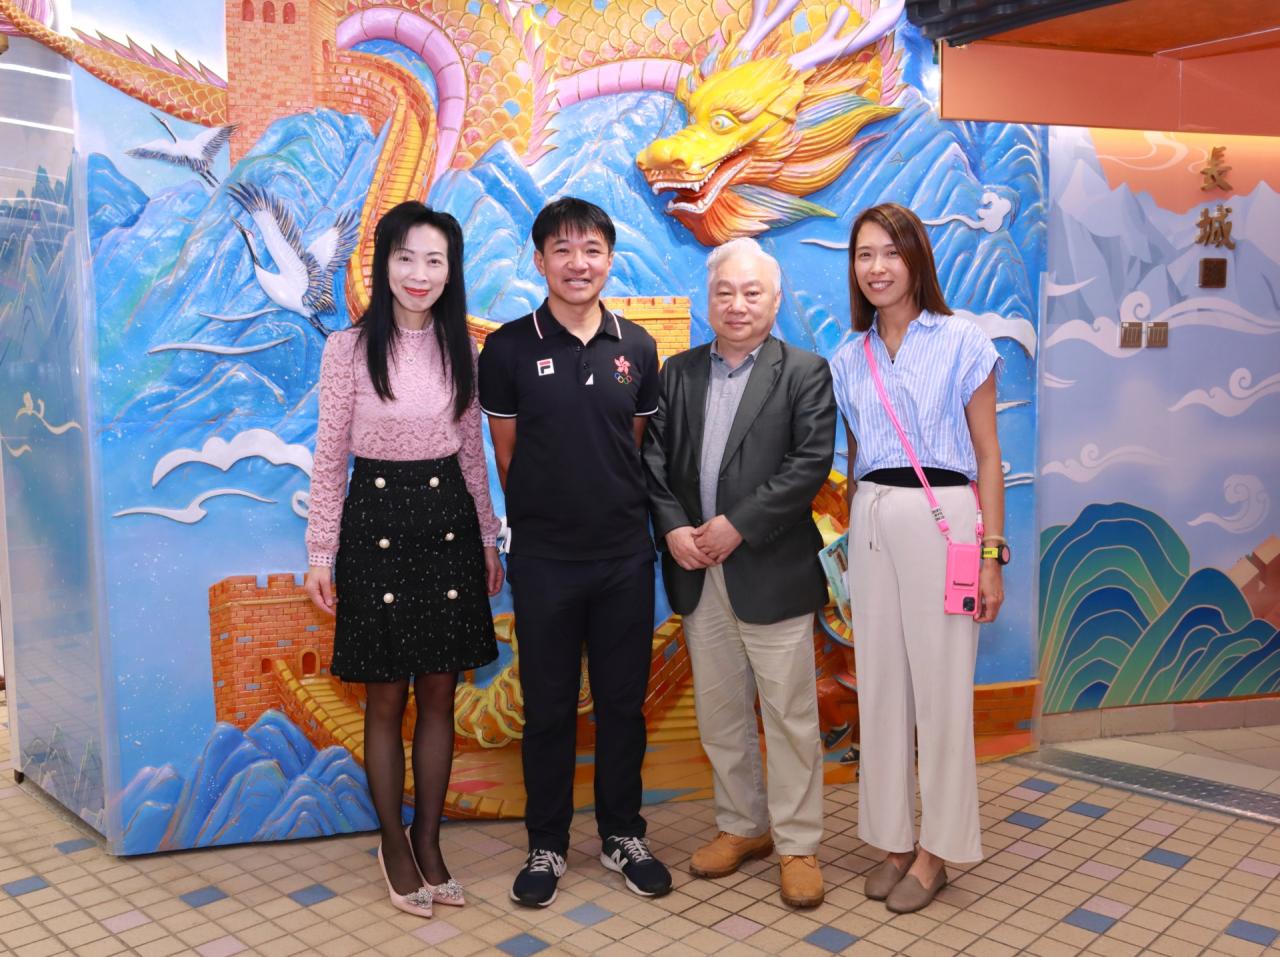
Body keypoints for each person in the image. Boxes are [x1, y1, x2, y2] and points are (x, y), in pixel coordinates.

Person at [303, 202, 504, 918]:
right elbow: (330, 456)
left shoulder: (462, 350)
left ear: (451, 272)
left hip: (447, 522)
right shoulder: (346, 349)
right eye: (405, 257)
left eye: (434, 260)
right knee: (386, 696)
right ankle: (392, 842)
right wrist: (320, 551)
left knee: (441, 691)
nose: (419, 273)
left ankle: (429, 838)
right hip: (377, 522)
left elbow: (472, 454)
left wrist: (488, 537)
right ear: (382, 263)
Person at [477, 197, 672, 907]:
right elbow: (507, 456)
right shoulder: (507, 348)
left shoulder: (638, 347)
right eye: (561, 249)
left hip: (625, 557)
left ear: (609, 259)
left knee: (623, 705)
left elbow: (633, 446)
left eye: (591, 249)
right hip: (544, 560)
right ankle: (547, 843)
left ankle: (622, 833)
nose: (577, 263)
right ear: (539, 261)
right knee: (550, 708)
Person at [642, 238, 836, 908]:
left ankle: (799, 843)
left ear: (774, 301)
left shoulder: (805, 372)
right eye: (724, 291)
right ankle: (743, 826)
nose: (737, 304)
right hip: (697, 568)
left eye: (752, 292)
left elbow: (809, 465)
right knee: (721, 712)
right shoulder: (678, 373)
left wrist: (738, 524)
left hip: (770, 568)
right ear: (709, 298)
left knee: (789, 716)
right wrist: (674, 527)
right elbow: (654, 459)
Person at [830, 202, 1007, 914]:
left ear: (916, 259)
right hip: (872, 518)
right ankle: (893, 840)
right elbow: (855, 460)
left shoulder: (963, 340)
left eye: (890, 252)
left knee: (941, 692)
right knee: (879, 688)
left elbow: (988, 456)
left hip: (946, 520)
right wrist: (849, 545)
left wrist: (990, 554)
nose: (876, 267)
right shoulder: (849, 356)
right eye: (863, 254)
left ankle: (939, 849)